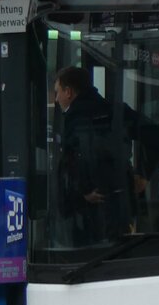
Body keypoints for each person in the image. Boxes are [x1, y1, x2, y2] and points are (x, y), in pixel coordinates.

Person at [53, 67, 132, 243]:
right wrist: (143, 174)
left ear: (69, 92)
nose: (56, 99)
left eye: (57, 92)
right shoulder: (112, 110)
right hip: (118, 201)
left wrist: (82, 193)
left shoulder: (75, 120)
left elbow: (74, 160)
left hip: (90, 210)